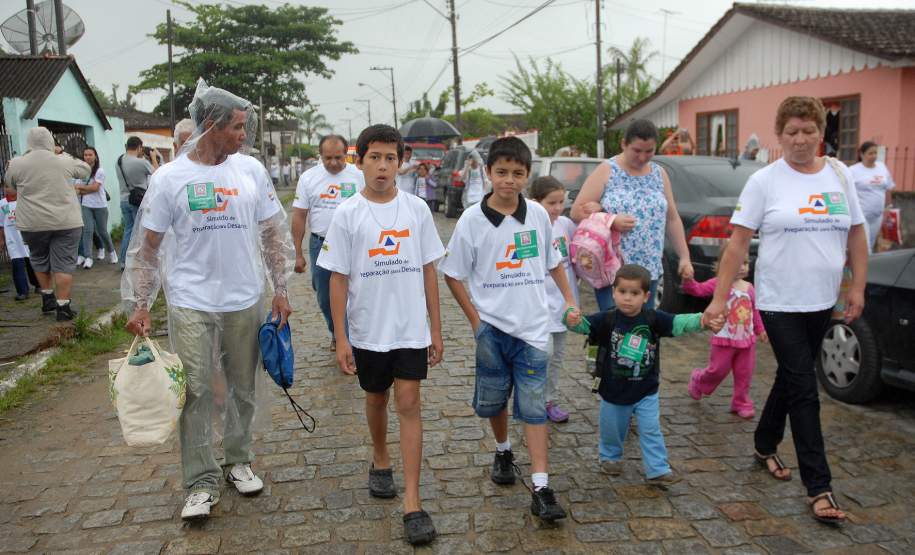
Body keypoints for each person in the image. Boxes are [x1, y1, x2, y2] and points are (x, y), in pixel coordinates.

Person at [124, 80, 293, 521]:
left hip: (243, 297)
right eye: (238, 127)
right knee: (195, 391)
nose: (244, 135)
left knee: (243, 385)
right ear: (213, 125)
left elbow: (273, 233)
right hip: (190, 300)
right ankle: (200, 481)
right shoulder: (169, 178)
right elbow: (148, 247)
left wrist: (281, 289)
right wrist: (141, 302)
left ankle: (238, 460)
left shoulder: (250, 171)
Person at [704, 96, 868, 525]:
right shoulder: (765, 181)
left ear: (820, 133)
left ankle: (764, 443)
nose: (800, 139)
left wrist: (858, 289)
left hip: (823, 298)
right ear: (779, 136)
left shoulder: (838, 173)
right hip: (778, 301)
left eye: (808, 131)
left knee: (790, 377)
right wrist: (720, 299)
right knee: (805, 388)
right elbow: (737, 243)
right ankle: (820, 487)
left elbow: (856, 233)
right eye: (792, 132)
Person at [440, 136, 581, 522]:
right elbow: (452, 275)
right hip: (493, 332)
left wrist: (569, 300)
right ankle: (503, 449)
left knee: (534, 407)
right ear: (488, 173)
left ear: (527, 175)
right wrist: (476, 321)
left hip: (535, 331)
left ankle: (541, 485)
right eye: (501, 172)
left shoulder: (537, 214)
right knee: (495, 399)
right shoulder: (471, 220)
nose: (508, 180)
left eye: (517, 173)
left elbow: (553, 262)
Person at [317, 125, 444, 545]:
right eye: (375, 157)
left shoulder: (417, 210)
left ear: (401, 161)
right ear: (360, 161)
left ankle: (412, 500)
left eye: (391, 158)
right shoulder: (348, 214)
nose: (383, 166)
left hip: (409, 327)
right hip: (369, 330)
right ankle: (380, 456)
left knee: (409, 402)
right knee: (377, 398)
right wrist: (341, 337)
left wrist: (435, 329)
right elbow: (337, 279)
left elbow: (429, 270)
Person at [567, 264, 721, 483]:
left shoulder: (653, 319)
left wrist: (702, 320)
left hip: (646, 391)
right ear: (613, 292)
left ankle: (657, 468)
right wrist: (571, 319)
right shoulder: (607, 319)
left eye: (634, 293)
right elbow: (583, 326)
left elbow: (678, 323)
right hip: (613, 392)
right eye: (622, 292)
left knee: (651, 430)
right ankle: (610, 457)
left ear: (646, 296)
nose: (627, 298)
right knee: (612, 430)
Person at [571, 119, 694, 311]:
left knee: (643, 332)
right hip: (614, 271)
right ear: (624, 144)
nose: (643, 157)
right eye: (637, 151)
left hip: (649, 269)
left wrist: (684, 257)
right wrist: (610, 220)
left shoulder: (659, 173)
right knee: (616, 332)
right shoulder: (607, 170)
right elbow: (577, 211)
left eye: (649, 151)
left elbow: (672, 218)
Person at [4, 127, 90, 320]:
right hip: (66, 221)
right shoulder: (63, 160)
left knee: (39, 258)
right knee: (64, 263)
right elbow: (85, 170)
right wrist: (62, 152)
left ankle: (47, 297)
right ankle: (63, 307)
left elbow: (10, 183)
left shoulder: (17, 163)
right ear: (51, 142)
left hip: (32, 222)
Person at [291, 134, 365, 346]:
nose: (333, 163)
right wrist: (298, 253)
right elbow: (298, 216)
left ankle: (352, 339)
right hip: (321, 244)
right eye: (328, 158)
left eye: (338, 158)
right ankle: (337, 331)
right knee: (324, 295)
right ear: (320, 156)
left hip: (355, 244)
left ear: (346, 155)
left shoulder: (358, 176)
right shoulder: (308, 178)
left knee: (356, 293)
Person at [682, 244, 767, 419]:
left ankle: (741, 402)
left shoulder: (749, 288)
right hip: (724, 338)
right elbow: (696, 290)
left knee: (745, 373)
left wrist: (760, 330)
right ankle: (699, 381)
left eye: (745, 262)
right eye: (737, 262)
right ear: (724, 264)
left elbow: (755, 311)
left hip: (746, 341)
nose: (742, 266)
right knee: (717, 370)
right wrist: (688, 280)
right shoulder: (719, 283)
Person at [528, 176, 578, 423]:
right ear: (535, 202)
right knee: (542, 355)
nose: (558, 208)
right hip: (538, 306)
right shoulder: (529, 227)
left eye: (561, 202)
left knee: (557, 357)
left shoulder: (566, 225)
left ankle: (550, 399)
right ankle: (532, 399)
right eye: (552, 203)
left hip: (563, 305)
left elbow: (578, 255)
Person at [116, 136, 157, 269]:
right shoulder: (141, 162)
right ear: (139, 147)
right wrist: (154, 158)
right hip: (138, 201)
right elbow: (158, 174)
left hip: (123, 199)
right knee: (139, 232)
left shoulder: (119, 161)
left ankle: (123, 261)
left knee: (128, 230)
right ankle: (137, 261)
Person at [74, 147, 117, 269]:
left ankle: (112, 252)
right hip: (86, 205)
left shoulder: (100, 171)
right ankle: (88, 257)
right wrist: (83, 188)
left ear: (95, 157)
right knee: (87, 231)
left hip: (100, 206)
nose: (87, 157)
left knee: (102, 232)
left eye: (90, 155)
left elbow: (95, 188)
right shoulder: (82, 171)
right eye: (85, 155)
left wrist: (81, 187)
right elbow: (78, 189)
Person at [850, 141, 896, 252]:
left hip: (877, 215)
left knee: (871, 242)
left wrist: (888, 207)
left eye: (875, 153)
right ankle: (864, 268)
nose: (874, 156)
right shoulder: (853, 170)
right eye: (870, 153)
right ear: (862, 154)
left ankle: (866, 267)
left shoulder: (882, 167)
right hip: (861, 215)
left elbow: (888, 188)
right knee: (865, 247)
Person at [0, 189, 39, 300]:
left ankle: (38, 284)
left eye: (12, 186)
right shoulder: (2, 204)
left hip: (26, 238)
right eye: (6, 186)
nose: (9, 189)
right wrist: (2, 240)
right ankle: (22, 291)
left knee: (31, 263)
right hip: (12, 241)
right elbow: (1, 225)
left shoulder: (25, 201)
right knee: (17, 265)